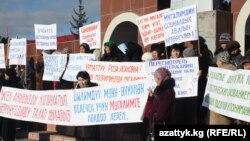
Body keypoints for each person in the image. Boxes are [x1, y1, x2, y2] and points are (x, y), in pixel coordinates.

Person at [209, 51, 236, 125]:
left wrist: (211, 79)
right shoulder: (236, 70)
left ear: (221, 61)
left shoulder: (219, 72)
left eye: (217, 60)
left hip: (219, 110)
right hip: (231, 108)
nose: (216, 62)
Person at [74, 71, 99, 141]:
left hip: (91, 123)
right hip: (80, 123)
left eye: (83, 80)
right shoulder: (76, 89)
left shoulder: (94, 86)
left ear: (88, 79)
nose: (81, 82)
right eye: (79, 80)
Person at [1, 68, 21, 141]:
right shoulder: (15, 83)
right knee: (10, 125)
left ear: (9, 75)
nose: (5, 76)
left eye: (6, 75)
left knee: (7, 125)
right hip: (9, 110)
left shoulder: (9, 84)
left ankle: (7, 137)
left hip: (9, 110)